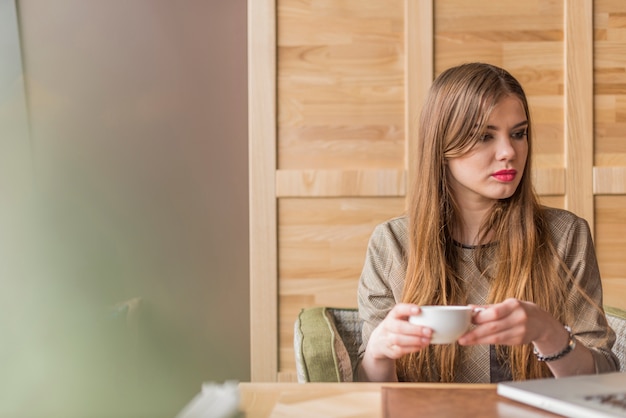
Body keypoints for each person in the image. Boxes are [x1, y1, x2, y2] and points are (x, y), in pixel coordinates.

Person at [355, 62, 620, 383]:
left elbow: (604, 376)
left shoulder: (565, 235)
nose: (509, 151)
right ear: (442, 147)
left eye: (519, 134)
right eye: (484, 136)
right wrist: (378, 352)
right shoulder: (392, 243)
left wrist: (549, 333)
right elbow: (371, 393)